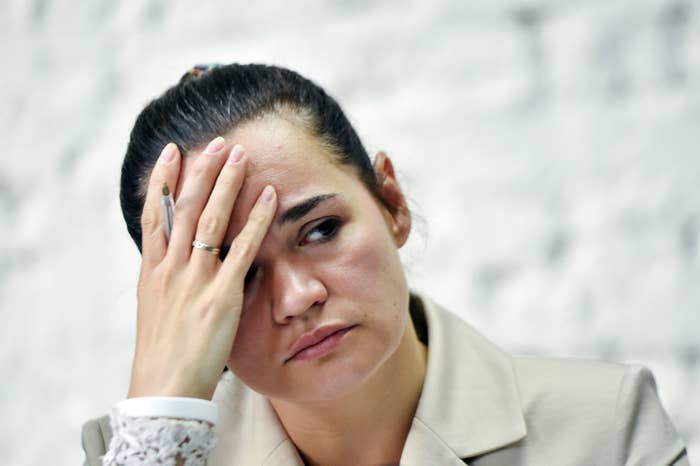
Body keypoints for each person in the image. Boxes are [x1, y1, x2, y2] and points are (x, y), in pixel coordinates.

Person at [81, 63, 689, 466]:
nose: (297, 297)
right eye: (239, 273)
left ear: (391, 203)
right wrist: (160, 415)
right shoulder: (139, 450)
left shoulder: (605, 428)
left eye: (320, 230)